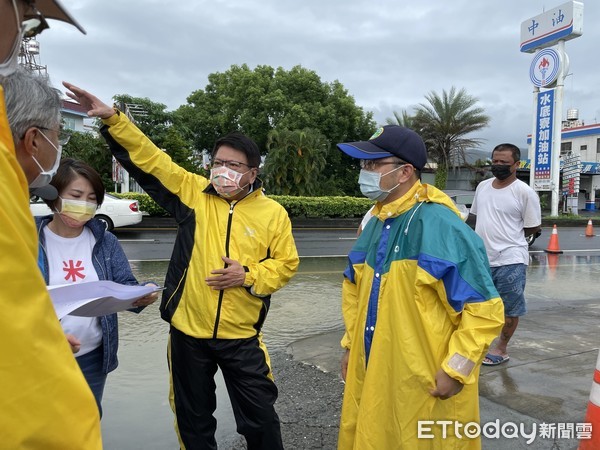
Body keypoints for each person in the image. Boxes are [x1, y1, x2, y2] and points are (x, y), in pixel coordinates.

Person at [62, 82, 300, 450]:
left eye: (233, 165)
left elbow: (286, 265)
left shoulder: (274, 214)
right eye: (218, 162)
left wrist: (248, 275)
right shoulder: (192, 193)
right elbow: (152, 159)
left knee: (261, 422)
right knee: (193, 422)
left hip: (242, 337)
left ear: (252, 173)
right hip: (188, 334)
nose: (223, 171)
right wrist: (114, 120)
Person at [336, 125, 505, 449]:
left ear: (405, 172)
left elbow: (483, 311)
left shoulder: (441, 227)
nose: (365, 172)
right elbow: (354, 291)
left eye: (373, 164)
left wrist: (456, 370)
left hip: (425, 379)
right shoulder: (376, 222)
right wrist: (349, 347)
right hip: (373, 369)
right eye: (363, 165)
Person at [0, 2, 102, 447]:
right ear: (34, 140)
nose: (22, 33)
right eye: (21, 18)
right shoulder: (12, 197)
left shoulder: (103, 241)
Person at [35, 158, 159, 415]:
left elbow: (125, 285)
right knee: (41, 425)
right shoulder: (30, 238)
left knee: (87, 421)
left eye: (92, 198)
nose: (84, 204)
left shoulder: (105, 241)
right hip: (39, 356)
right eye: (76, 195)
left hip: (92, 356)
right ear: (55, 195)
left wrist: (141, 295)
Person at [470, 143, 541, 366]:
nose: (498, 166)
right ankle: (475, 345)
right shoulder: (482, 187)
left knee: (509, 309)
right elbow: (473, 219)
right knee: (474, 305)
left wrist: (509, 238)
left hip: (511, 259)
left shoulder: (524, 192)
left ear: (516, 165)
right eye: (495, 161)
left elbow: (532, 227)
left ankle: (501, 349)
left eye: (504, 162)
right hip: (481, 259)